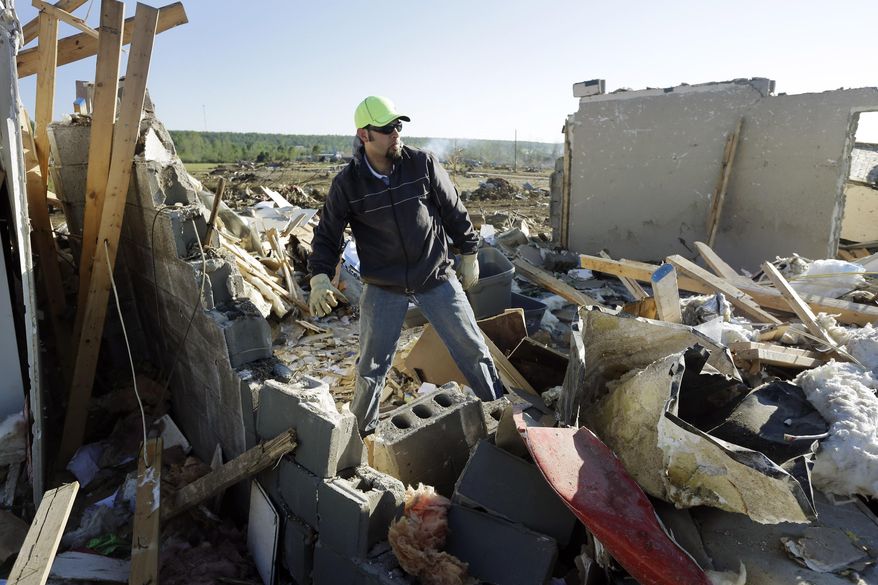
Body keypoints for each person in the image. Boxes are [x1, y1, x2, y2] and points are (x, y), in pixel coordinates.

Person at [307, 96, 505, 434]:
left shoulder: (422, 165)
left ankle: (500, 417)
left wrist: (469, 252)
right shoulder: (349, 184)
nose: (396, 132)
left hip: (434, 276)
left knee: (473, 350)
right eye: (386, 128)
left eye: (398, 125)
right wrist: (320, 277)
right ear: (364, 135)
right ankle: (361, 435)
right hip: (384, 286)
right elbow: (328, 234)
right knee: (371, 368)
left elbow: (454, 211)